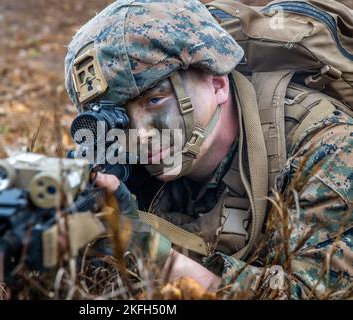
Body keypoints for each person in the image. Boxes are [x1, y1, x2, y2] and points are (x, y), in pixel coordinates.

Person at [64, 0, 352, 299]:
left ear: (217, 83)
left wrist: (148, 251)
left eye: (155, 100)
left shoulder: (329, 148)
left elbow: (311, 294)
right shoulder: (123, 154)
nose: (138, 136)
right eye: (119, 117)